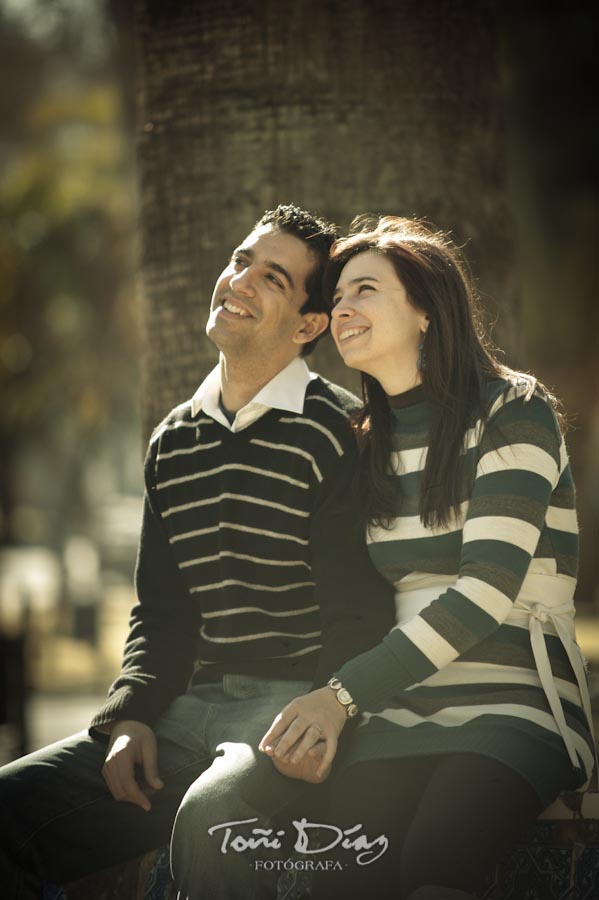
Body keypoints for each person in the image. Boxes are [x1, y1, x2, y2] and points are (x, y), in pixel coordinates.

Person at [0, 204, 395, 900]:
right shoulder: (171, 442)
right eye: (240, 260)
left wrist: (322, 724)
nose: (237, 281)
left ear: (308, 325)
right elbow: (161, 613)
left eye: (271, 277)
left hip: (287, 717)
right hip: (185, 716)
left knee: (216, 823)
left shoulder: (334, 432)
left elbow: (358, 613)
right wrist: (130, 717)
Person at [260, 216, 597, 900]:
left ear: (424, 311)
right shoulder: (362, 445)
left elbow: (484, 592)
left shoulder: (512, 409)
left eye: (365, 289)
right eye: (336, 296)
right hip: (398, 713)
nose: (342, 307)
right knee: (336, 877)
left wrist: (340, 696)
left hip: (516, 710)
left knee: (433, 872)